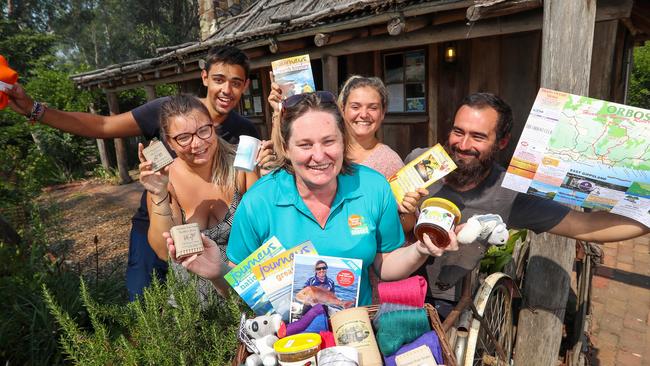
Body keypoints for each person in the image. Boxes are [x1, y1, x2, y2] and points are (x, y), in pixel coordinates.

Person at [6, 45, 273, 301]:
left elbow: (261, 214)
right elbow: (103, 125)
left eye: (236, 82)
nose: (226, 90)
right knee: (143, 295)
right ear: (204, 77)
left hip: (226, 247)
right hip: (161, 213)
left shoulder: (244, 134)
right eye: (219, 79)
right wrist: (35, 109)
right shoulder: (165, 111)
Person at [165, 91, 459, 304]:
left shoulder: (373, 187)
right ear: (287, 149)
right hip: (284, 342)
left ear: (344, 141)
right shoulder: (259, 201)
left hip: (357, 330)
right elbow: (243, 291)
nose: (319, 156)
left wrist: (421, 249)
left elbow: (385, 264)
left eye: (329, 141)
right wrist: (218, 273)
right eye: (305, 144)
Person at [405, 92, 650, 311]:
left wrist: (646, 218)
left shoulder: (509, 192)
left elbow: (584, 226)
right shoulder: (421, 161)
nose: (463, 145)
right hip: (395, 280)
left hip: (444, 298)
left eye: (478, 136)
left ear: (502, 142)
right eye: (458, 132)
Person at [138, 94, 258, 299]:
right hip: (191, 300)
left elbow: (262, 230)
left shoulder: (241, 165)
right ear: (169, 142)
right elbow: (163, 252)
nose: (197, 144)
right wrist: (159, 193)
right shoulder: (166, 179)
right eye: (184, 137)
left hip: (243, 289)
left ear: (213, 126)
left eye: (203, 130)